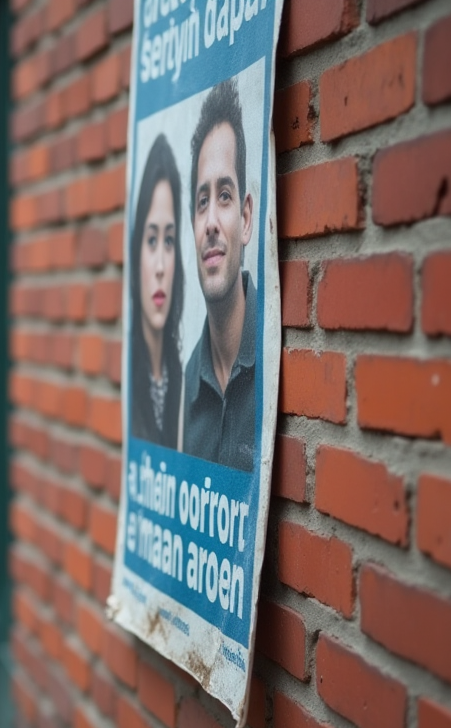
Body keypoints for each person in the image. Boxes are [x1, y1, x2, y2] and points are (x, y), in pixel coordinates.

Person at [183, 78, 256, 472]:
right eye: (201, 201)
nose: (211, 221)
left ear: (245, 219)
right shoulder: (183, 395)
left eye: (224, 196)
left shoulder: (282, 352)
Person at [129, 134, 185, 449]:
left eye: (169, 240)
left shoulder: (181, 377)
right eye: (151, 241)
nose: (161, 266)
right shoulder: (129, 372)